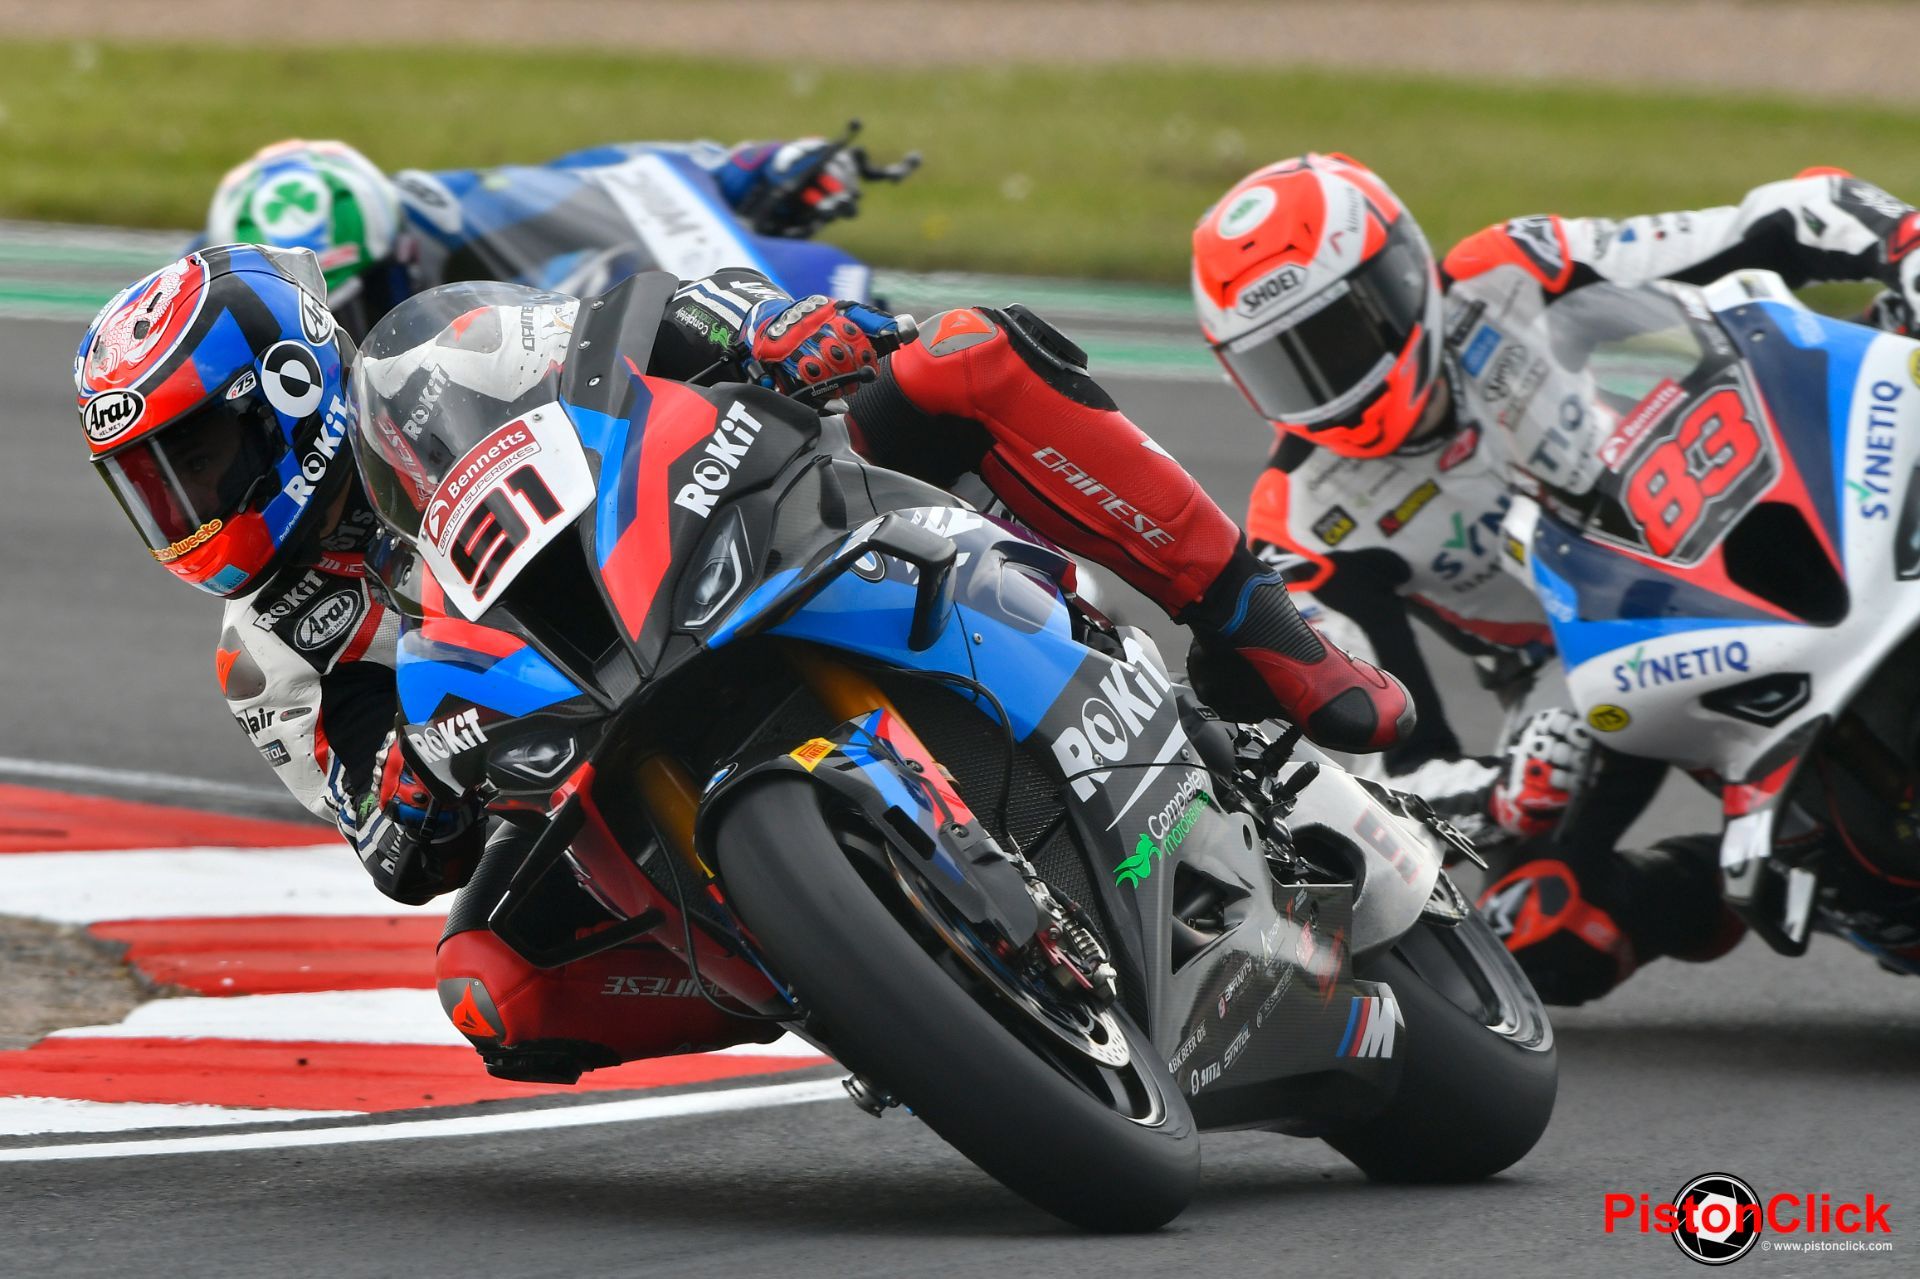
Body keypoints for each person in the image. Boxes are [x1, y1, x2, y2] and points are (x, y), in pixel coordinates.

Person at [75, 242, 1411, 1082]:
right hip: (582, 748)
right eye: (147, 486)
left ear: (290, 395)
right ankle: (853, 975)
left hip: (725, 542)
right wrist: (402, 797)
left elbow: (635, 322)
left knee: (965, 356)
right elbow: (375, 816)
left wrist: (769, 328)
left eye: (190, 460)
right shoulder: (267, 655)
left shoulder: (436, 358)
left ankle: (1260, 629)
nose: (180, 510)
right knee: (494, 984)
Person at [1191, 152, 1920, 1003]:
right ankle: (1736, 876)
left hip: (1721, 487)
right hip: (1580, 676)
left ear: (1400, 274)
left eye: (1337, 338)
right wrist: (1505, 787)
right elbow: (1372, 764)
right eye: (1285, 366)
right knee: (1535, 927)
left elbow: (1767, 224)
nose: (1333, 388)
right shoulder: (1304, 523)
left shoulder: (1511, 272)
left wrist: (1902, 242)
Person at [201, 131, 914, 339]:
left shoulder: (445, 212)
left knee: (840, 295)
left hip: (670, 352)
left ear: (401, 251)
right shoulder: (222, 299)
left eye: (351, 305)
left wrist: (754, 168)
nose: (339, 328)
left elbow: (606, 179)